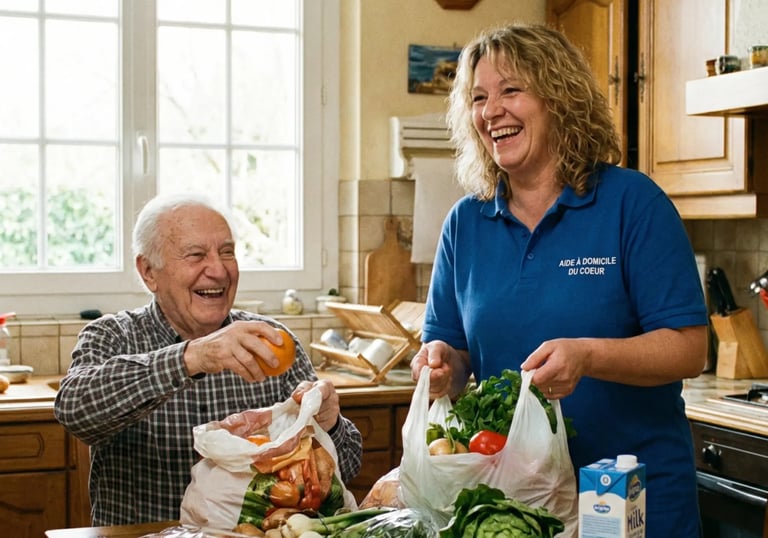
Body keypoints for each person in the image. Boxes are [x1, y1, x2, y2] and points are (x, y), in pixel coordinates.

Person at [410, 23, 707, 537]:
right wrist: (440, 367)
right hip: (521, 510)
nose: (491, 111)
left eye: (510, 90)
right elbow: (455, 357)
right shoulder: (465, 223)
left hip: (632, 503)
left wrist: (588, 356)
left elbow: (688, 349)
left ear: (559, 99)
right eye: (478, 98)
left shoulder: (632, 203)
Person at [55, 193, 363, 526]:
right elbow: (74, 409)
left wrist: (330, 424)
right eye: (196, 255)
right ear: (148, 272)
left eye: (227, 252)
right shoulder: (113, 336)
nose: (219, 270)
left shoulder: (271, 341)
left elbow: (346, 469)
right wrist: (193, 357)